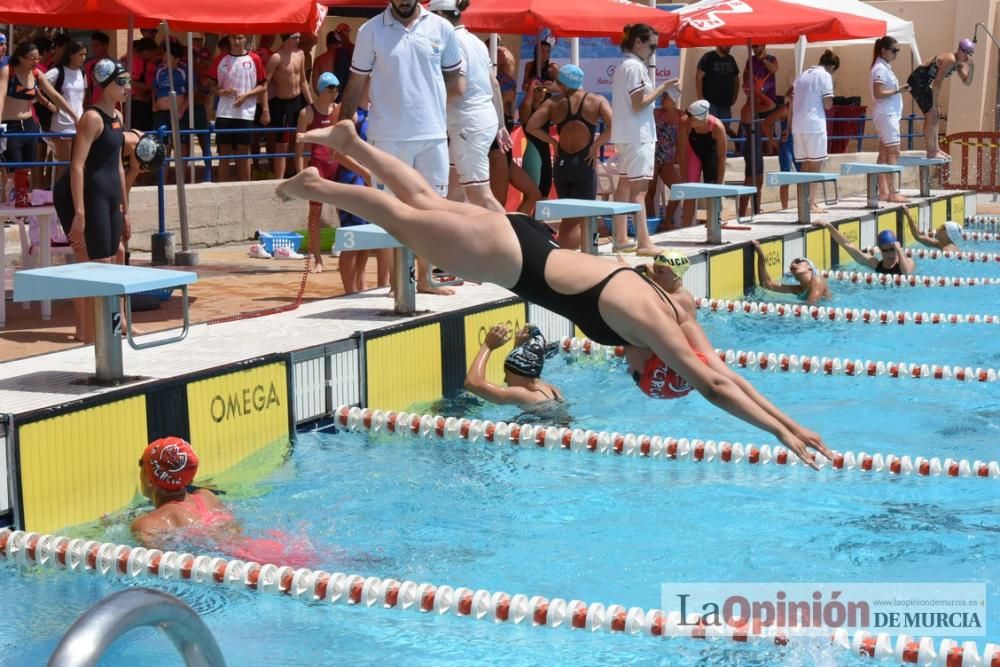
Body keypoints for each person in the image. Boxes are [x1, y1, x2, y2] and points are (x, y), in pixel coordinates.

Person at [279, 119, 833, 468]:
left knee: (423, 201)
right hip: (506, 258)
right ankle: (316, 184)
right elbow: (711, 385)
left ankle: (352, 143)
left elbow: (722, 370)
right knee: (403, 218)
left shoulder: (677, 313)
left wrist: (789, 424)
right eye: (634, 372)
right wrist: (781, 435)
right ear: (652, 365)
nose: (625, 363)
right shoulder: (647, 322)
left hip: (519, 242)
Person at [337, 0, 465, 297]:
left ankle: (425, 278)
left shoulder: (441, 28)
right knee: (391, 212)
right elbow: (356, 82)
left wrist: (428, 100)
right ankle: (397, 281)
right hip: (388, 136)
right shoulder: (370, 31)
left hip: (431, 134)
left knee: (433, 209)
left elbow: (453, 76)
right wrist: (345, 127)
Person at [132, 437, 316, 568]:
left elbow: (162, 568)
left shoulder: (147, 524)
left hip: (237, 564)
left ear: (149, 477)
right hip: (266, 547)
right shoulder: (207, 497)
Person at [52, 60, 131, 342]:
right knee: (94, 264)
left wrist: (125, 209)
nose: (127, 88)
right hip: (82, 196)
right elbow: (76, 166)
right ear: (106, 85)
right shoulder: (92, 118)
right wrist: (80, 213)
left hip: (105, 196)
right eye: (122, 82)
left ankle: (111, 323)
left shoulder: (117, 117)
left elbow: (118, 166)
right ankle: (89, 331)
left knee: (115, 257)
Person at [431, 0, 509, 212]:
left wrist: (429, 104)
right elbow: (494, 84)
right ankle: (453, 242)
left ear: (439, 14)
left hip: (468, 124)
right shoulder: (474, 41)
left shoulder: (452, 42)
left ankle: (519, 241)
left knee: (480, 196)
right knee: (453, 193)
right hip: (478, 121)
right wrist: (501, 125)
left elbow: (458, 88)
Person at [526, 64, 612, 249]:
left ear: (563, 83)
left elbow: (531, 126)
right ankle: (590, 251)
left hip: (562, 164)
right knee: (588, 215)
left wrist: (554, 142)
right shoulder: (596, 101)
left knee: (568, 215)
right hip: (584, 163)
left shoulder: (554, 104)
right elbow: (614, 127)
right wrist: (596, 145)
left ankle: (564, 252)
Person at [610, 23, 676, 255]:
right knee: (639, 189)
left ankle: (620, 236)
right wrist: (663, 88)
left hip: (626, 134)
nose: (654, 51)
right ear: (638, 42)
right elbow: (639, 103)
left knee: (625, 185)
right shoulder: (635, 68)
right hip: (638, 135)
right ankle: (644, 242)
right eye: (652, 46)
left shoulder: (623, 66)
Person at [0, 41, 76, 184]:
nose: (36, 62)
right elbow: (1, 96)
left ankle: (25, 199)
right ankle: (10, 201)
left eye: (38, 58)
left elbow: (55, 95)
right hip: (10, 126)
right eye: (32, 59)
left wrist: (74, 116)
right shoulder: (8, 71)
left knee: (28, 169)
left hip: (29, 125)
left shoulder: (36, 74)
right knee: (14, 170)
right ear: (21, 58)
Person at [208, 34, 268, 182]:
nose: (237, 41)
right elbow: (211, 86)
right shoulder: (221, 59)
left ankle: (245, 187)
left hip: (245, 113)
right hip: (224, 113)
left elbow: (264, 85)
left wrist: (247, 96)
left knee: (243, 153)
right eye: (234, 38)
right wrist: (221, 92)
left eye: (240, 38)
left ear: (245, 39)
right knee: (224, 154)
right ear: (228, 39)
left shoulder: (254, 59)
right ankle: (223, 186)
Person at [464, 323, 564, 411]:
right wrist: (519, 344)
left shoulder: (523, 394)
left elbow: (473, 383)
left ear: (519, 375)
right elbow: (524, 366)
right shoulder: (551, 390)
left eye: (506, 374)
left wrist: (488, 345)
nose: (505, 380)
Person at [907, 39, 975, 159]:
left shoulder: (958, 64)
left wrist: (972, 67)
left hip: (924, 83)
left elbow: (967, 82)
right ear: (959, 50)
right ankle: (931, 151)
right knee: (931, 114)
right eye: (965, 52)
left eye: (970, 53)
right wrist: (934, 102)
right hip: (917, 81)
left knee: (936, 113)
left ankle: (935, 149)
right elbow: (938, 82)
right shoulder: (951, 59)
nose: (967, 56)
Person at [792, 50, 839, 214]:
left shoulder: (802, 75)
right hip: (814, 125)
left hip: (797, 124)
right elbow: (827, 104)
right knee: (815, 165)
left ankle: (802, 203)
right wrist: (832, 91)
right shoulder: (825, 76)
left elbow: (791, 99)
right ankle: (811, 203)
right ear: (832, 67)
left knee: (804, 165)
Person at [738, 44, 780, 217]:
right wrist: (757, 90)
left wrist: (757, 89)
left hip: (756, 146)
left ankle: (756, 209)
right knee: (750, 179)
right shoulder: (748, 108)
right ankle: (741, 211)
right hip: (751, 147)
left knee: (760, 179)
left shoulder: (754, 106)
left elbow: (770, 105)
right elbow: (770, 104)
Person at [265, 33, 312, 179]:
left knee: (300, 139)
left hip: (298, 101)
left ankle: (296, 173)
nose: (298, 40)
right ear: (286, 39)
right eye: (295, 37)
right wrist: (265, 109)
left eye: (299, 37)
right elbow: (265, 84)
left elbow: (303, 80)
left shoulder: (300, 54)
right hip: (282, 103)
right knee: (282, 144)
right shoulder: (276, 57)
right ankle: (279, 179)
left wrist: (310, 103)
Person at [677, 99, 728, 227]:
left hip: (711, 153)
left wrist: (720, 184)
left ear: (700, 118)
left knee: (713, 189)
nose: (687, 118)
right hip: (693, 152)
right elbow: (682, 153)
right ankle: (686, 227)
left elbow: (722, 157)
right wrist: (684, 179)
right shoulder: (685, 122)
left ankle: (714, 222)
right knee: (690, 190)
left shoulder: (717, 127)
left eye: (691, 117)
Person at [871, 36, 909, 203]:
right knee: (894, 152)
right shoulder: (880, 69)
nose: (896, 54)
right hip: (886, 115)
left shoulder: (884, 67)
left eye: (898, 51)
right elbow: (878, 93)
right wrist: (898, 91)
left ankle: (884, 192)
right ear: (884, 50)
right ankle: (893, 192)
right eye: (894, 50)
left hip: (886, 115)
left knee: (884, 152)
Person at [44, 40, 88, 179]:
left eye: (85, 55)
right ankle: (61, 198)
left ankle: (77, 197)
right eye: (80, 54)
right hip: (62, 124)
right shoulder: (57, 72)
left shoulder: (82, 72)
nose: (84, 58)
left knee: (79, 165)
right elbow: (37, 86)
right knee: (64, 166)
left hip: (80, 123)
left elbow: (83, 97)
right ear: (71, 55)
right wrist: (48, 104)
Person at [819, 220, 915, 275]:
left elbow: (906, 272)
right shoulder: (875, 264)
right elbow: (847, 245)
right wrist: (829, 226)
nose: (890, 254)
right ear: (880, 250)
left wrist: (899, 250)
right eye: (885, 250)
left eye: (892, 249)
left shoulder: (909, 262)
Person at [751, 241, 830, 304]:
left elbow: (812, 303)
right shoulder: (798, 290)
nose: (794, 265)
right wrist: (761, 255)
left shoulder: (817, 280)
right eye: (791, 267)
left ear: (810, 267)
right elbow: (766, 284)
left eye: (798, 261)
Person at [646, 87, 681, 227]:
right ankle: (651, 221)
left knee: (678, 189)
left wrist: (679, 158)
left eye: (665, 96)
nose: (662, 99)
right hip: (653, 157)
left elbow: (683, 140)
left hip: (667, 160)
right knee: (650, 191)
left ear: (673, 100)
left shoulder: (682, 117)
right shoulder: (655, 113)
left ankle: (667, 220)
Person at [695, 45, 739, 134]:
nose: (729, 46)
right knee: (711, 130)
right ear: (719, 43)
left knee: (723, 130)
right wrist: (700, 97)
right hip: (710, 103)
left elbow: (736, 79)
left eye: (731, 44)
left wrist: (735, 97)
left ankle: (720, 147)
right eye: (727, 44)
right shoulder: (708, 57)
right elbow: (699, 77)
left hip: (726, 103)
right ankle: (712, 148)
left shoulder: (731, 59)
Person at [83, 31, 110, 104]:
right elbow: (86, 89)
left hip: (113, 109)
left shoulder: (116, 65)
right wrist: (85, 107)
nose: (93, 49)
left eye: (96, 46)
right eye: (92, 46)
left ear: (106, 46)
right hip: (95, 108)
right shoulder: (89, 65)